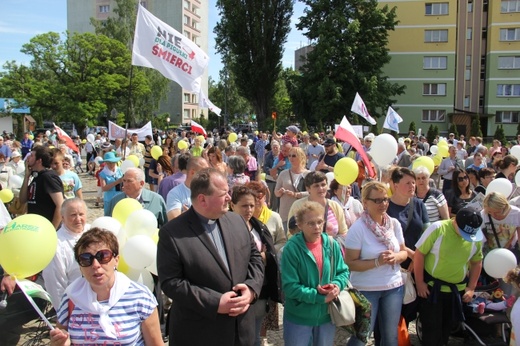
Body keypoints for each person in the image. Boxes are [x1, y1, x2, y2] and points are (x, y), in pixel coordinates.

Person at [157, 168, 264, 345]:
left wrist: (251, 289)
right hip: (200, 333)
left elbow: (254, 257)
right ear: (202, 199)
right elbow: (171, 282)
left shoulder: (237, 221)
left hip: (241, 331)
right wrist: (215, 302)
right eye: (224, 194)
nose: (229, 197)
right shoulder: (172, 233)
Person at [49, 228, 163, 345]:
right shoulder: (71, 297)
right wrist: (59, 342)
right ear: (80, 267)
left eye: (103, 256)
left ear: (116, 260)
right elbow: (61, 335)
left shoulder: (140, 297)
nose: (95, 265)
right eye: (86, 259)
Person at [344, 181, 407, 346]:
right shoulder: (358, 229)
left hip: (393, 287)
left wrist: (396, 257)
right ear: (365, 202)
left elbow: (404, 252)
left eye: (385, 199)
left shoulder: (393, 224)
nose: (383, 204)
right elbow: (350, 263)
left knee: (390, 336)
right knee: (361, 336)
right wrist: (377, 262)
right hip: (366, 289)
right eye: (377, 200)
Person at [281, 201, 349, 345]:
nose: (317, 227)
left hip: (326, 316)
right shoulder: (291, 249)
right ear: (299, 225)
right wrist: (319, 298)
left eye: (319, 222)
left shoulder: (331, 244)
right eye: (311, 223)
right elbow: (290, 287)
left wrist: (336, 285)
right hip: (299, 318)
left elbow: (343, 271)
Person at [414, 208, 484, 346]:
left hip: (456, 291)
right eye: (464, 233)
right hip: (432, 289)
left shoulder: (475, 237)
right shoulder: (438, 228)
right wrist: (420, 282)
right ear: (455, 222)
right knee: (431, 333)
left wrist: (471, 287)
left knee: (447, 331)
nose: (466, 237)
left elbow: (477, 262)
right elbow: (419, 254)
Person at [230, 186, 283, 346]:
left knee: (255, 338)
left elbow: (270, 253)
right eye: (244, 206)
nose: (249, 210)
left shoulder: (259, 227)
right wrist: (258, 256)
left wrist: (264, 256)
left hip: (259, 288)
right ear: (232, 205)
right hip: (236, 290)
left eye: (252, 206)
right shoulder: (225, 228)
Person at [42, 198, 90, 310]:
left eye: (81, 214)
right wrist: (64, 313)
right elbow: (55, 284)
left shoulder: (93, 230)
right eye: (73, 215)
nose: (78, 219)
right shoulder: (56, 245)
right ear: (62, 218)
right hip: (76, 304)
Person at [288, 171, 348, 248]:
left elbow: (344, 233)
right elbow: (291, 233)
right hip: (306, 253)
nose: (321, 189)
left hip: (332, 253)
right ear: (308, 188)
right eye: (316, 186)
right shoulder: (298, 206)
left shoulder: (335, 206)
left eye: (323, 185)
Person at [19, 145, 64, 229]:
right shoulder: (36, 177)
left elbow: (60, 205)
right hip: (35, 226)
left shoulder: (48, 177)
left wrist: (52, 229)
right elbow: (22, 200)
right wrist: (26, 177)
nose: (28, 157)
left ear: (39, 161)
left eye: (32, 155)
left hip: (46, 227)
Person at [275, 147, 310, 232]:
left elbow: (312, 193)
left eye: (294, 156)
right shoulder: (283, 173)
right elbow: (276, 192)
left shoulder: (308, 174)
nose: (291, 158)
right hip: (286, 213)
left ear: (301, 157)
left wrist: (296, 194)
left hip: (303, 213)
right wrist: (280, 192)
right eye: (289, 156)